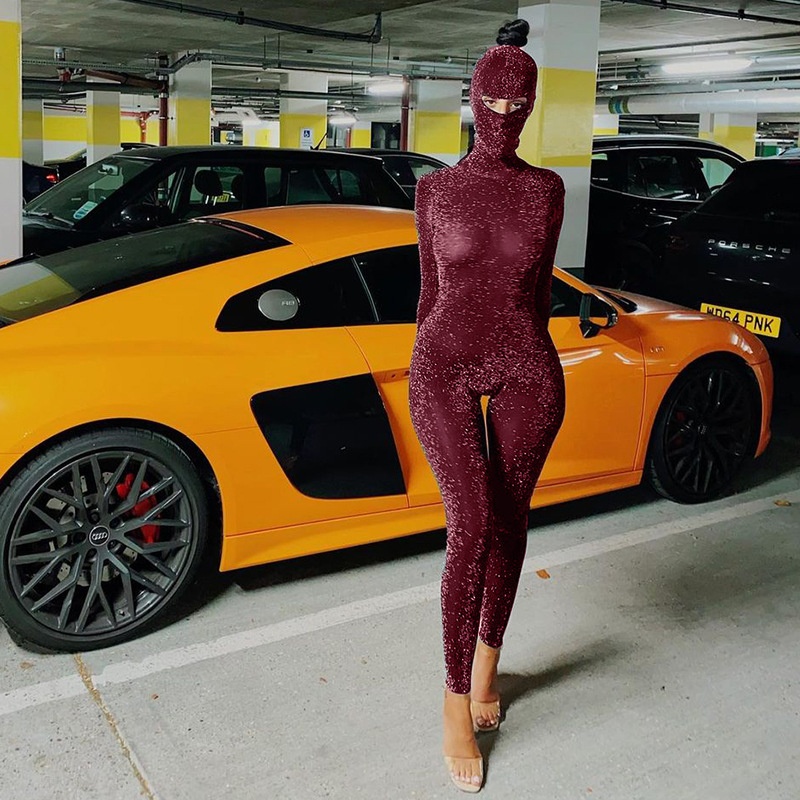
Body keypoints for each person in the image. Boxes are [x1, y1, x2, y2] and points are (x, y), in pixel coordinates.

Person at [408, 17, 567, 793]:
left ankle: (486, 670)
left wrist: (531, 359)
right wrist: (420, 363)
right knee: (469, 525)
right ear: (473, 101)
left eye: (518, 104)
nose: (504, 115)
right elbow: (428, 293)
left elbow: (539, 294)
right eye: (493, 102)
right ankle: (452, 706)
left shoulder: (546, 191)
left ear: (532, 106)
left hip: (525, 363)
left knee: (509, 522)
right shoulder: (434, 190)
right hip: (443, 361)